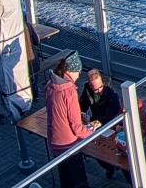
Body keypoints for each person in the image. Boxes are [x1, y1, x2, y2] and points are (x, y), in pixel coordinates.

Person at [46, 51, 96, 188]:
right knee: (79, 182)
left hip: (54, 141)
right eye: (78, 72)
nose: (79, 75)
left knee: (66, 181)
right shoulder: (69, 91)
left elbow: (60, 111)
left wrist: (78, 115)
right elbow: (77, 128)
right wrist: (92, 132)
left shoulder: (50, 84)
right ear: (71, 71)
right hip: (68, 146)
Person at [80, 69, 126, 180]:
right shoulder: (87, 91)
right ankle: (109, 168)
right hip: (98, 126)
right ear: (90, 86)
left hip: (113, 126)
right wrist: (81, 114)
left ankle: (120, 170)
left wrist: (92, 121)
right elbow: (82, 106)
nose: (99, 91)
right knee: (97, 153)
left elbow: (110, 116)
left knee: (120, 155)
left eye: (100, 87)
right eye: (95, 89)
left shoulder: (111, 93)